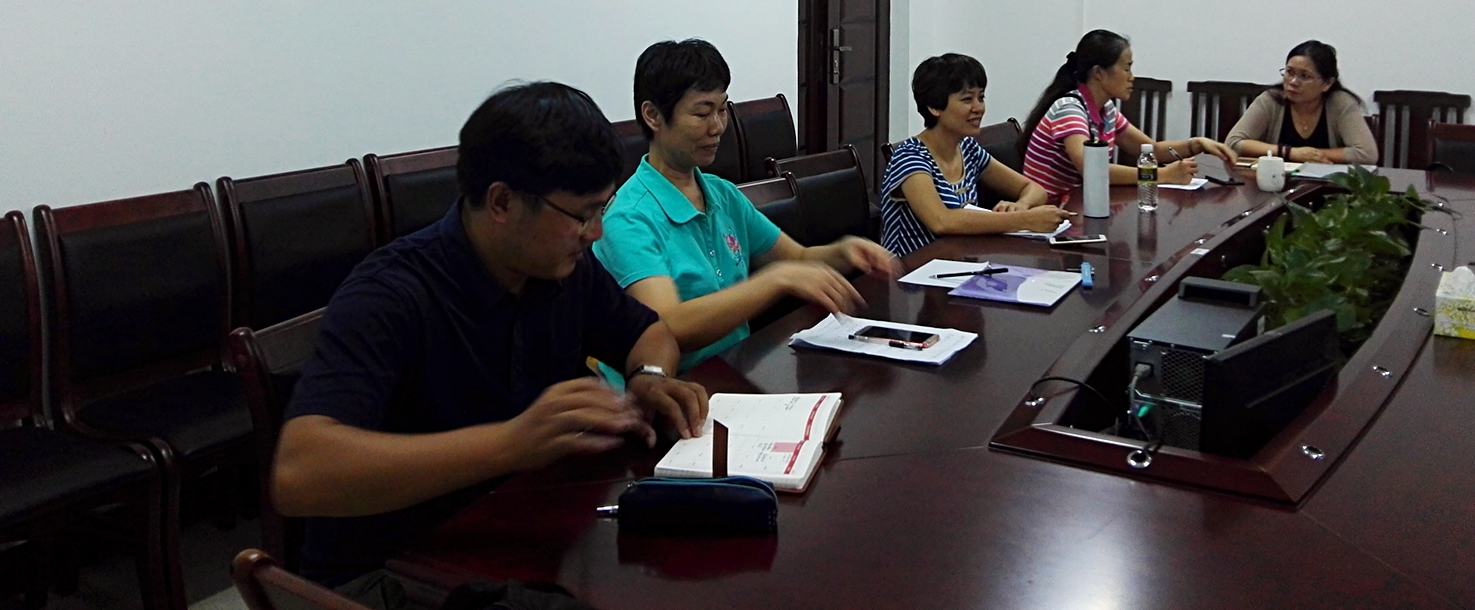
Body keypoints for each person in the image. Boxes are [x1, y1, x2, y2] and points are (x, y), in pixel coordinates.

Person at [272, 82, 710, 595]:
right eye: (583, 215)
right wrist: (511, 444)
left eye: (603, 210)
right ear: (502, 201)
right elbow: (299, 474)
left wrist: (649, 377)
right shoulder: (390, 295)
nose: (596, 233)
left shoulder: (562, 269)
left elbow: (648, 332)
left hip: (520, 535)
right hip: (398, 570)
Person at [594, 39, 901, 367]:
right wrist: (775, 279)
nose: (718, 127)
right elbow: (667, 326)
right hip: (675, 386)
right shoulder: (629, 218)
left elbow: (797, 258)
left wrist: (844, 251)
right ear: (653, 116)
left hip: (736, 369)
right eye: (702, 113)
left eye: (722, 109)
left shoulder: (722, 194)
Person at [879, 53, 1073, 258]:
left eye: (981, 98)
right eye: (967, 99)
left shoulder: (967, 148)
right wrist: (1025, 220)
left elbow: (1033, 189)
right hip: (910, 271)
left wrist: (1020, 206)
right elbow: (941, 221)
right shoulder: (909, 157)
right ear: (934, 107)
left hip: (959, 262)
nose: (979, 108)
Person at [1022, 30, 1235, 197]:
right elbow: (1092, 171)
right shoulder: (1070, 109)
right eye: (1126, 68)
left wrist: (1196, 144)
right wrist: (1160, 175)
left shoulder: (1106, 110)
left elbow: (1151, 150)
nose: (1132, 77)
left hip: (1082, 204)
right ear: (1099, 73)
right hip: (1050, 213)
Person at [1225, 40, 1378, 164]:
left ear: (1327, 83)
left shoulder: (1340, 103)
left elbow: (1366, 154)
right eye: (1289, 72)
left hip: (1327, 186)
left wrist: (1312, 156)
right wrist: (1291, 153)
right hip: (1274, 184)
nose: (1293, 82)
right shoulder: (1271, 100)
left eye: (1304, 76)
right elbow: (1233, 143)